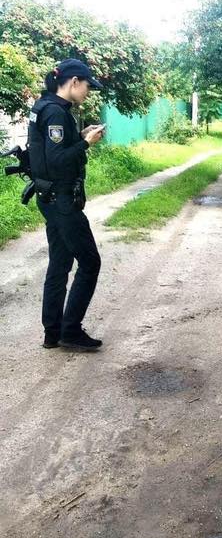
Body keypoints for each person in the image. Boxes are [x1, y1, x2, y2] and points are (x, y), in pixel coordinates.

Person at [28, 58, 106, 351]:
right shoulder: (57, 114)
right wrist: (86, 143)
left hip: (48, 198)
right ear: (74, 82)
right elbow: (58, 160)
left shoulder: (44, 107)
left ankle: (52, 332)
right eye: (87, 86)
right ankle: (70, 330)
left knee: (59, 264)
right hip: (62, 201)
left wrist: (81, 136)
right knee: (90, 262)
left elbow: (50, 155)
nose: (87, 91)